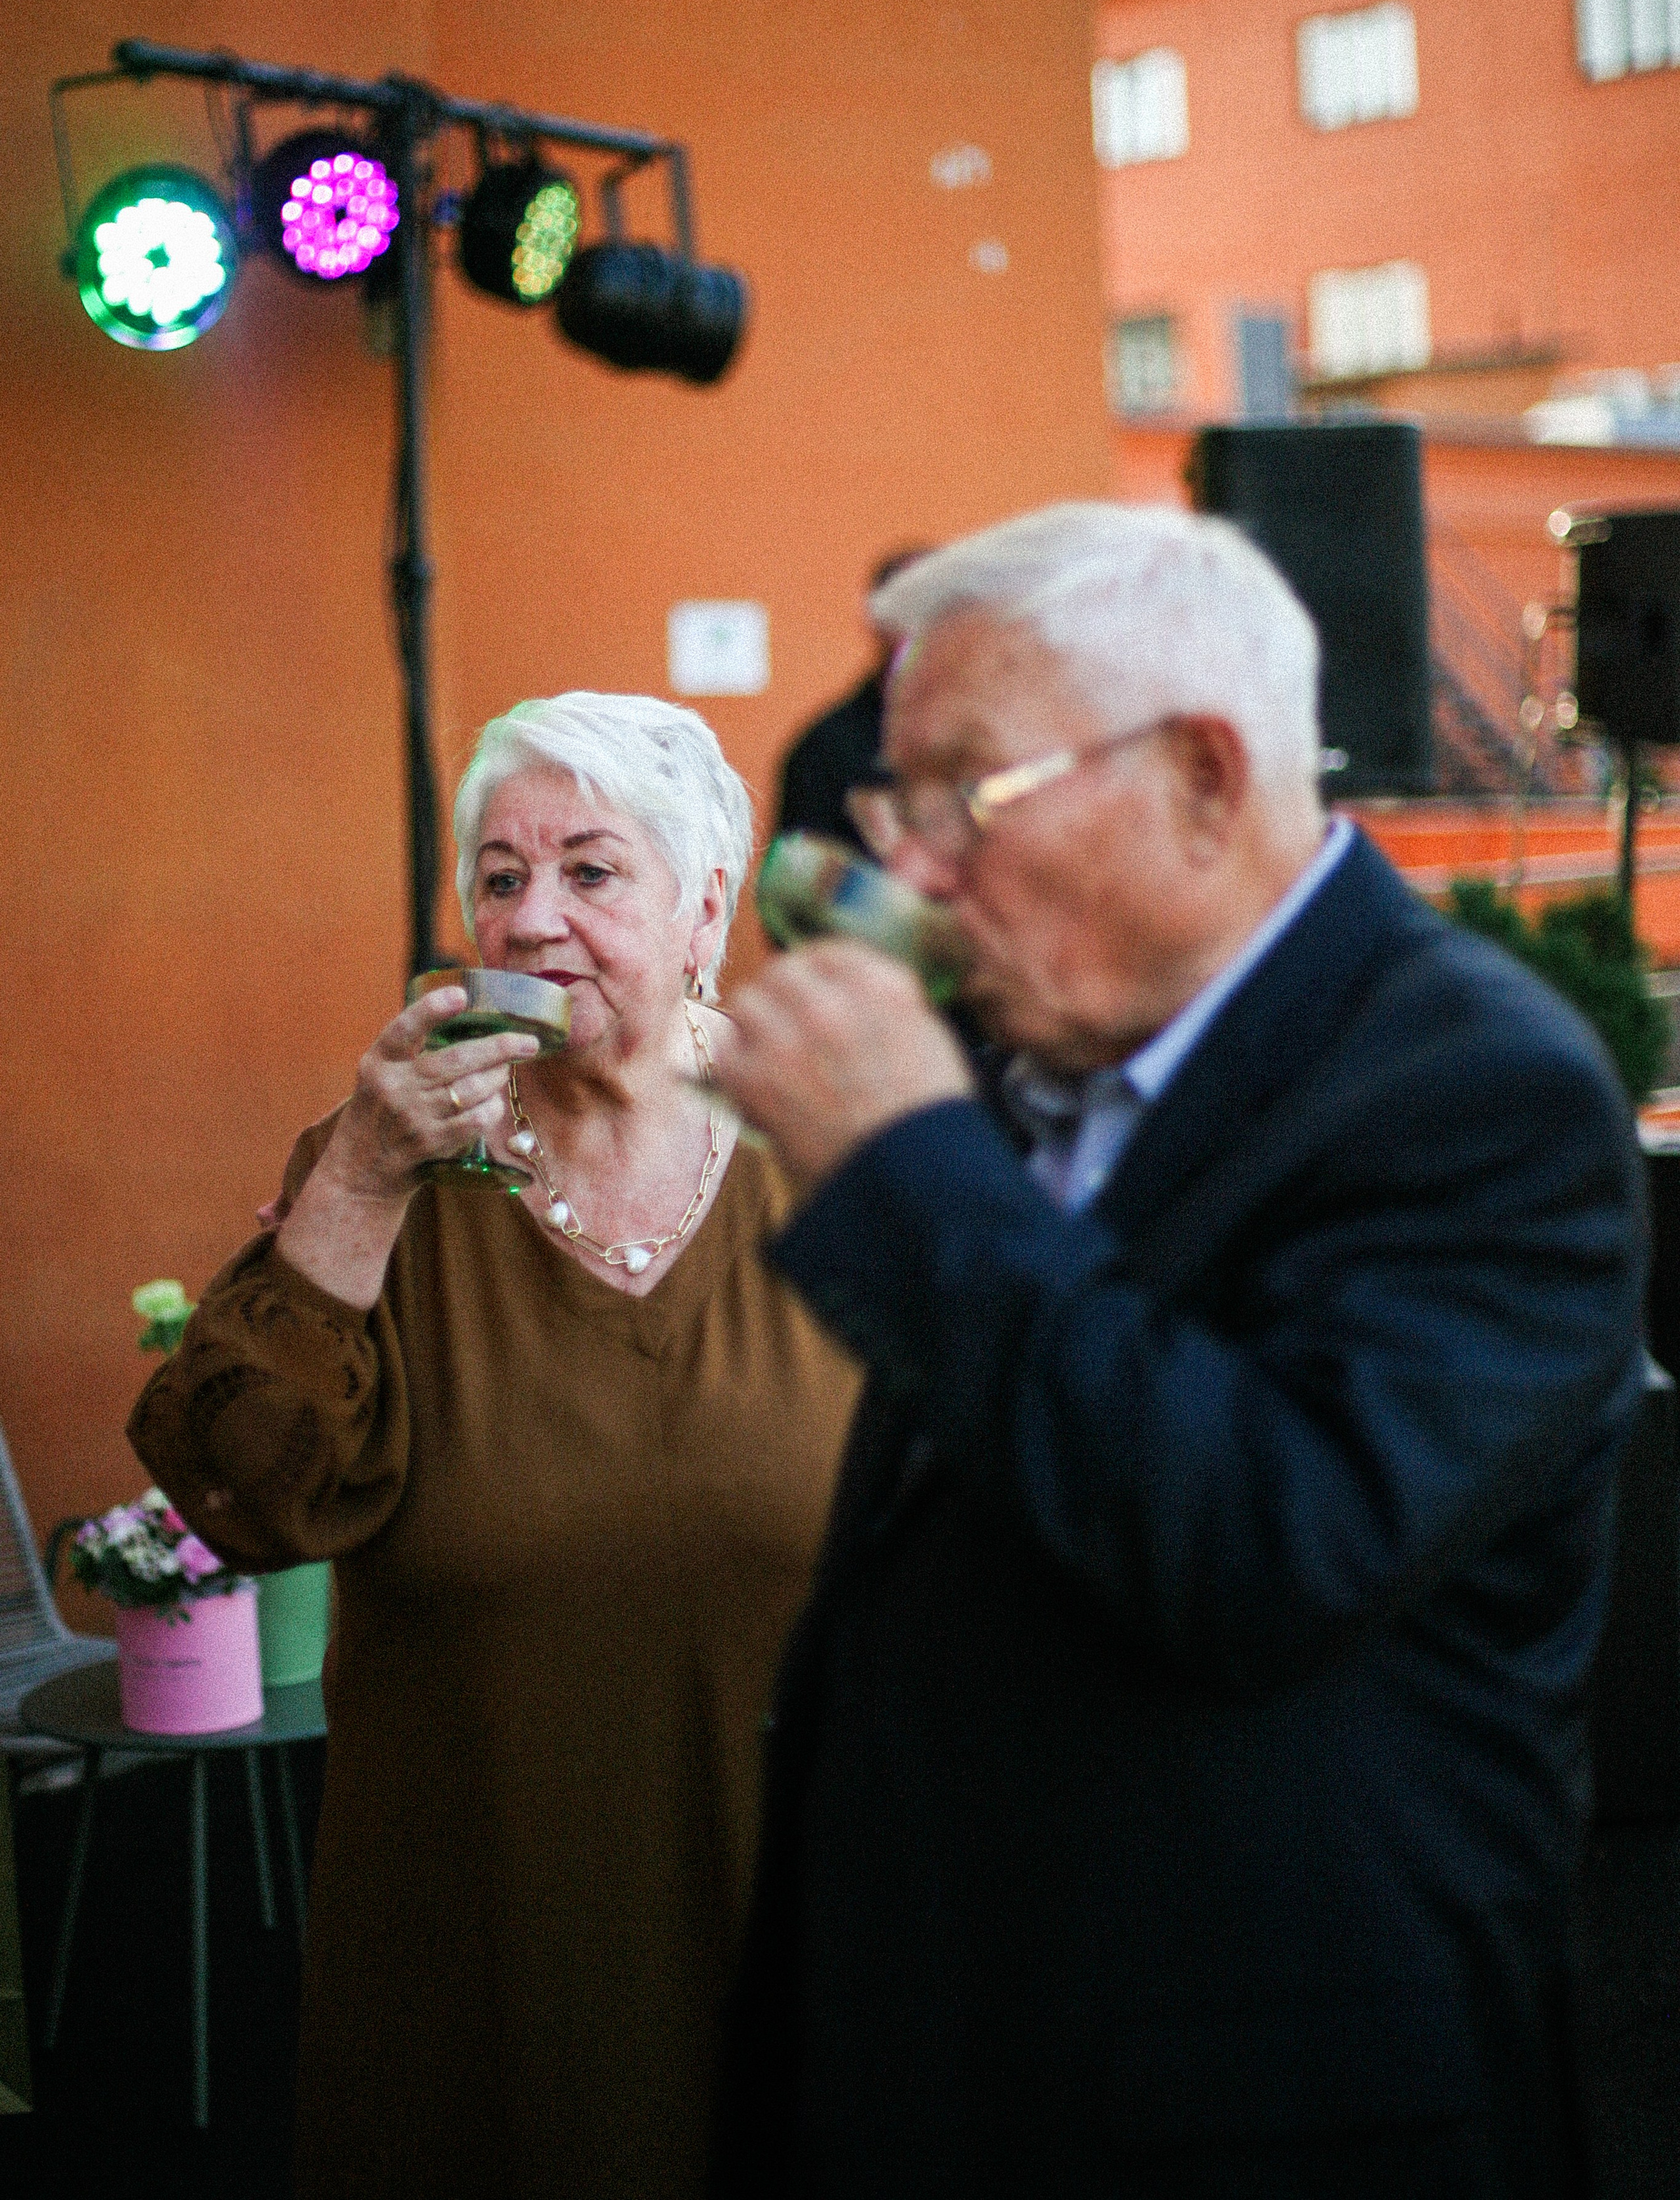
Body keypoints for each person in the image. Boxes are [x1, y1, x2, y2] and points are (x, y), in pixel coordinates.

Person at [707, 504, 1647, 2199]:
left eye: (959, 800)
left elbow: (1269, 1542)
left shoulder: (1481, 1090)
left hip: (1259, 2117)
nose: (907, 872)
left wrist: (914, 1172)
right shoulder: (1032, 1046)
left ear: (1207, 778)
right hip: (954, 2066)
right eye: (889, 805)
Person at [127, 692, 858, 2200]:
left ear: (704, 902)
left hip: (821, 1941)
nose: (532, 920)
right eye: (500, 877)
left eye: (591, 872)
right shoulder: (385, 1163)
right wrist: (357, 1182)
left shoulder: (837, 1148)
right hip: (485, 1981)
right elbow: (243, 1496)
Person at [774, 547, 930, 845]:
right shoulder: (823, 750)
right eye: (914, 609)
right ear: (878, 619)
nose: (926, 627)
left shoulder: (998, 738)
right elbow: (796, 881)